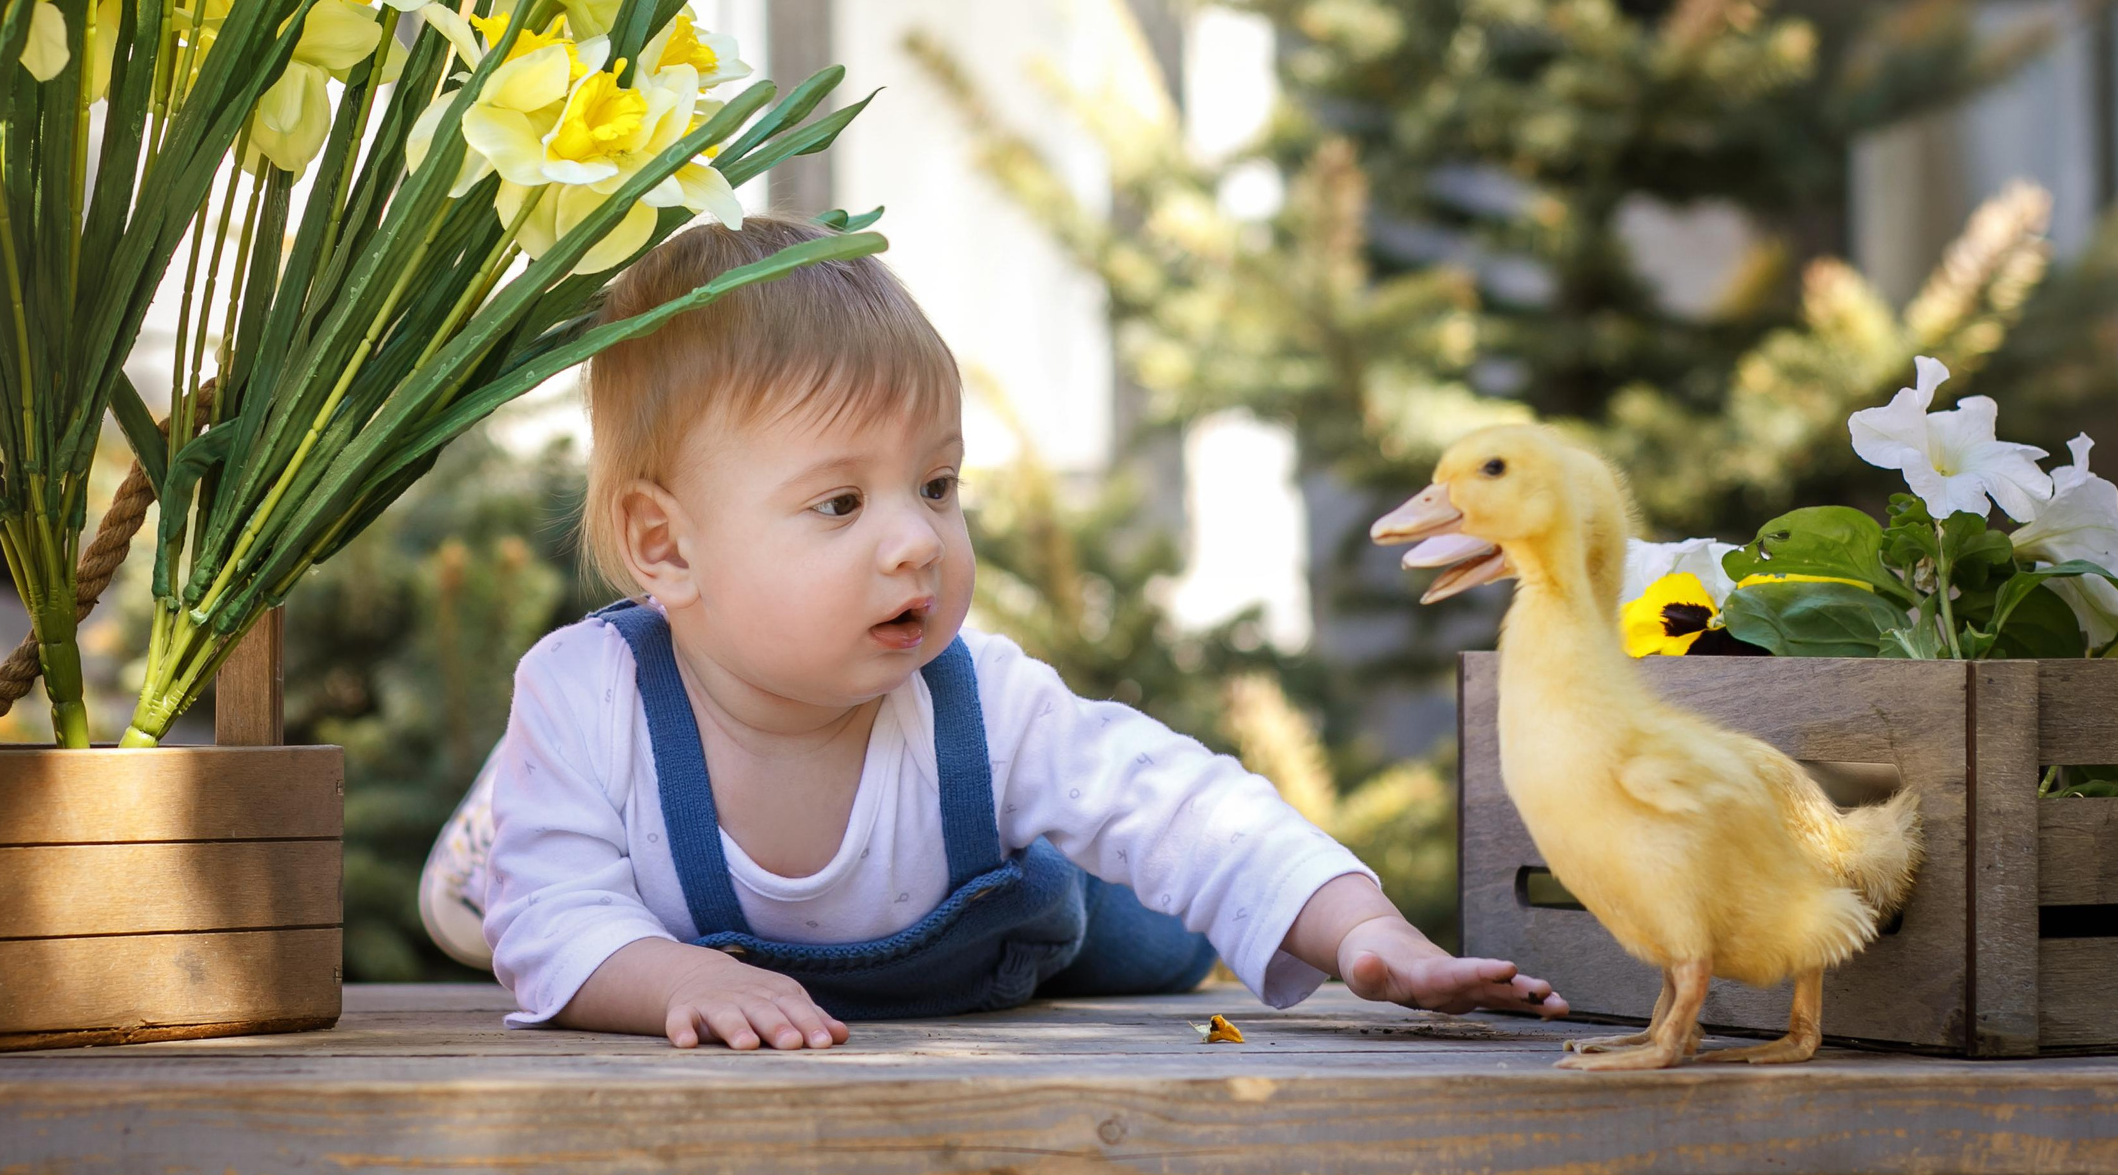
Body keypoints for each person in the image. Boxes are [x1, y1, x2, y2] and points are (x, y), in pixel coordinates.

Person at [422, 214, 1568, 1049]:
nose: (916, 542)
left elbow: (1182, 807)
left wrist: (1362, 931)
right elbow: (558, 924)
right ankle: (508, 823)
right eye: (839, 503)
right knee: (558, 898)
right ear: (666, 549)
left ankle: (521, 830)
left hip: (1030, 930)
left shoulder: (978, 705)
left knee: (1139, 937)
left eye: (936, 485)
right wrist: (662, 976)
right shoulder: (592, 698)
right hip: (643, 878)